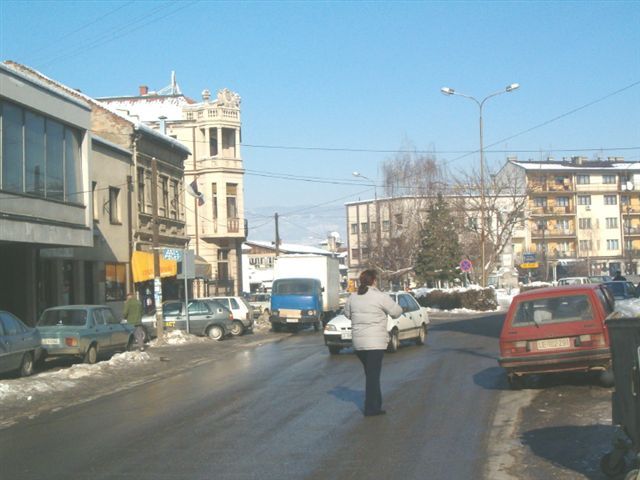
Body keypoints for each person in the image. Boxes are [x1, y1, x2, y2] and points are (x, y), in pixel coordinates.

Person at [344, 269, 402, 417]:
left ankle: (376, 404)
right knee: (373, 375)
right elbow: (396, 312)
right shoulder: (380, 297)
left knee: (371, 374)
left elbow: (347, 314)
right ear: (374, 280)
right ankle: (371, 408)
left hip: (358, 343)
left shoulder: (353, 297)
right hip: (375, 343)